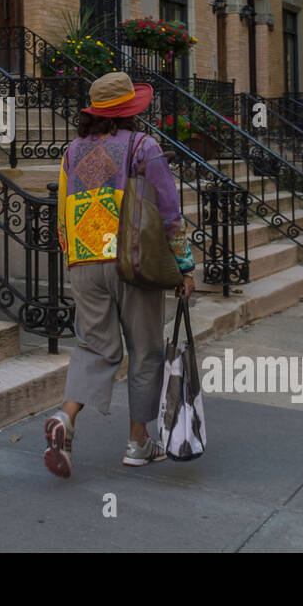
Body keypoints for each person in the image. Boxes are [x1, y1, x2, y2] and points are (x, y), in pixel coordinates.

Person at [45, 71, 196, 478]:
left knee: (94, 347)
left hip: (83, 263)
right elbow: (169, 213)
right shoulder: (143, 147)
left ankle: (65, 417)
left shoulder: (71, 152)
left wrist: (76, 256)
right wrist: (183, 264)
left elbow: (61, 212)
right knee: (145, 351)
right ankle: (137, 443)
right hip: (133, 263)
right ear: (131, 110)